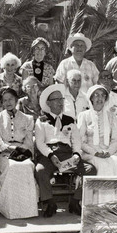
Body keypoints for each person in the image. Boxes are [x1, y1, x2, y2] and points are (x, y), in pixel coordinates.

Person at [35, 84, 97, 217]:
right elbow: (39, 142)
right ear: (48, 103)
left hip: (67, 154)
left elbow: (76, 141)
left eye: (61, 99)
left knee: (90, 170)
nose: (60, 102)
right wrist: (51, 155)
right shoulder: (41, 120)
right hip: (49, 154)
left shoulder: (70, 120)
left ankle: (75, 201)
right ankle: (50, 203)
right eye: (56, 100)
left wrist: (76, 154)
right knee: (40, 170)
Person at [77, 85, 117, 203]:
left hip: (109, 152)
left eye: (103, 95)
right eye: (96, 95)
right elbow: (81, 142)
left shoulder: (111, 116)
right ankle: (103, 203)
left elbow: (115, 140)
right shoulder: (84, 116)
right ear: (91, 98)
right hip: (90, 152)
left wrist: (108, 152)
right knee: (104, 166)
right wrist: (96, 152)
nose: (99, 98)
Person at [0, 87, 39, 219]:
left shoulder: (28, 118)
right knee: (12, 166)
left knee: (27, 166)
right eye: (5, 100)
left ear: (16, 99)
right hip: (3, 152)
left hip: (22, 151)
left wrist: (21, 150)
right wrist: (8, 148)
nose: (8, 102)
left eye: (10, 99)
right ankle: (10, 209)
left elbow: (29, 141)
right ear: (1, 102)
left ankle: (27, 209)